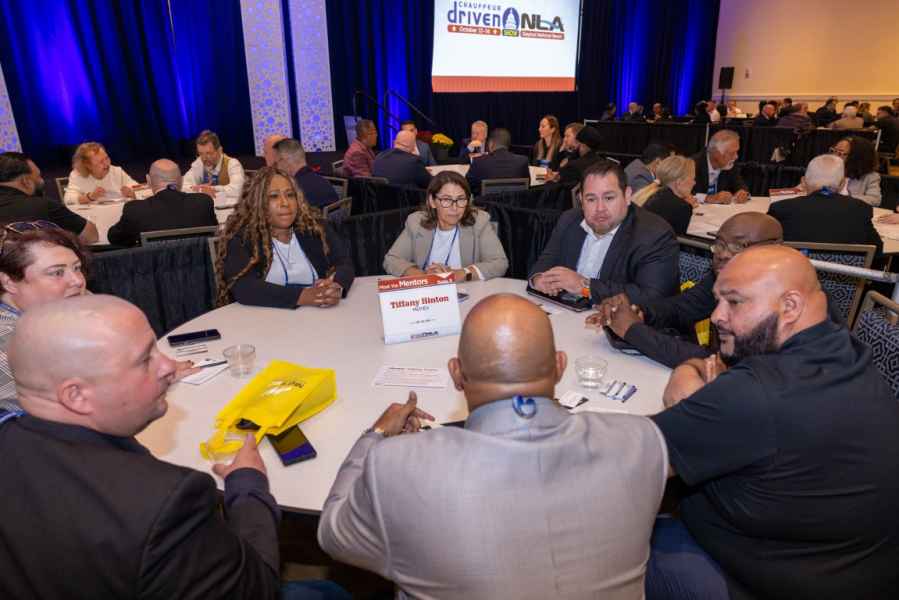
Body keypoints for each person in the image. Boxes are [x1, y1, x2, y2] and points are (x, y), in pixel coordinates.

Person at [318, 294, 668, 599]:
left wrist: (375, 435)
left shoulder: (395, 467)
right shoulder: (642, 442)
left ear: (456, 374)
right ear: (560, 366)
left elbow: (333, 533)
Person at [0, 295, 348, 599]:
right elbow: (256, 589)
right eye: (145, 359)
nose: (168, 366)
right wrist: (247, 486)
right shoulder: (164, 502)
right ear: (76, 395)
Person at [646, 246, 899, 599]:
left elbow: (632, 458)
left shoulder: (759, 391)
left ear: (790, 306)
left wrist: (689, 395)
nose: (717, 316)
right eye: (718, 301)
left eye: (734, 302)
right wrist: (688, 373)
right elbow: (713, 368)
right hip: (845, 565)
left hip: (754, 580)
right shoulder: (841, 347)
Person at [587, 213, 783, 369]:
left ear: (774, 249)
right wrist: (639, 311)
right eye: (720, 244)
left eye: (738, 246)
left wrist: (633, 330)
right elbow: (683, 307)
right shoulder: (723, 277)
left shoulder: (776, 302)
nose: (723, 254)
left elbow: (720, 364)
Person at [529, 160, 680, 306]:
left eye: (609, 198)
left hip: (621, 321)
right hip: (567, 312)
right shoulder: (569, 219)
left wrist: (585, 287)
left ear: (627, 195)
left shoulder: (655, 234)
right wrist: (539, 279)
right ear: (581, 200)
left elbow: (653, 297)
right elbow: (546, 259)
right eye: (591, 199)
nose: (600, 208)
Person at [216, 166, 354, 309]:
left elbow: (344, 262)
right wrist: (302, 296)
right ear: (257, 202)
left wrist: (336, 286)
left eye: (290, 195)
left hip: (317, 315)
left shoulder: (315, 228)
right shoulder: (242, 239)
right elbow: (244, 287)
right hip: (263, 318)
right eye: (274, 196)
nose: (285, 203)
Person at [0, 225, 89, 410]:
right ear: (9, 283)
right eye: (57, 273)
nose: (78, 281)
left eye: (77, 268)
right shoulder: (10, 348)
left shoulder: (73, 300)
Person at [383, 171, 508, 280]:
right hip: (428, 293)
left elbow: (499, 263)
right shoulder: (416, 222)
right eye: (446, 200)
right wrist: (424, 276)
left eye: (461, 199)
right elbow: (391, 260)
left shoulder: (479, 221)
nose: (454, 208)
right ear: (432, 201)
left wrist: (460, 274)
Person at [767, 154, 881, 253]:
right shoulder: (860, 209)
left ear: (803, 182)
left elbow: (764, 249)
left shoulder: (781, 209)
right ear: (842, 184)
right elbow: (877, 250)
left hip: (794, 271)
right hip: (844, 272)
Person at [107, 159, 218, 247]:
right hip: (199, 267)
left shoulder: (135, 210)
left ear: (149, 181)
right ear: (181, 180)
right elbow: (215, 234)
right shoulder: (203, 203)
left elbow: (114, 238)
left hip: (152, 268)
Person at [0, 152, 98, 244]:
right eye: (38, 176)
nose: (42, 181)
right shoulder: (43, 205)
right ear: (26, 181)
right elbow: (91, 235)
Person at [633, 155, 698, 235]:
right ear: (679, 182)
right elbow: (676, 240)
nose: (694, 183)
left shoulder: (653, 193)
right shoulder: (682, 207)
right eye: (692, 179)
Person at [64, 142, 140, 204]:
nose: (107, 164)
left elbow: (138, 188)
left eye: (107, 158)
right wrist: (90, 197)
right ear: (88, 165)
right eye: (100, 162)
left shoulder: (116, 171)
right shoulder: (77, 175)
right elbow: (68, 200)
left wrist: (132, 192)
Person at [182, 130, 246, 202]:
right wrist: (200, 189)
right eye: (201, 154)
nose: (204, 158)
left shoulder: (233, 164)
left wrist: (212, 189)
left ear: (220, 150)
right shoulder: (199, 163)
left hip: (229, 208)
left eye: (208, 153)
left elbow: (237, 190)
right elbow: (182, 186)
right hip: (206, 208)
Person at [273, 138, 338, 208]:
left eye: (276, 163)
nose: (276, 167)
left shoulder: (296, 191)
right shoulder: (324, 181)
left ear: (285, 161)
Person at [691, 129, 750, 204]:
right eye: (732, 153)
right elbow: (682, 194)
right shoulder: (692, 164)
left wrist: (743, 193)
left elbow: (740, 185)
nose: (736, 157)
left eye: (737, 152)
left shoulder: (730, 164)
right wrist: (708, 198)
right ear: (716, 153)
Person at [465, 128, 529, 194]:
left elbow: (468, 186)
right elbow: (526, 186)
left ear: (491, 143)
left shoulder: (479, 162)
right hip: (513, 200)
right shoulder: (522, 161)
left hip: (485, 200)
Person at [830, 136, 881, 206]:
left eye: (840, 153)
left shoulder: (871, 177)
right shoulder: (828, 169)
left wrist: (844, 199)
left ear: (856, 157)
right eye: (834, 151)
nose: (834, 156)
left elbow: (875, 200)